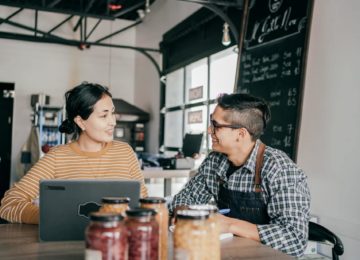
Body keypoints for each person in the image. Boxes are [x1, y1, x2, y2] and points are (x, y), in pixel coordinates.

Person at [169, 93, 310, 257]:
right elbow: (185, 197)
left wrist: (229, 225)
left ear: (241, 134)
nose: (209, 130)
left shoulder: (280, 170)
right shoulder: (214, 161)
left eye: (216, 125)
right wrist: (183, 212)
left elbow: (294, 239)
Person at [0, 82, 148, 224]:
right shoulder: (57, 157)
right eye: (104, 116)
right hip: (69, 245)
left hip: (117, 242)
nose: (113, 122)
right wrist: (48, 218)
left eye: (113, 113)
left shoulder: (125, 152)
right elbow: (9, 204)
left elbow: (143, 202)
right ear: (80, 122)